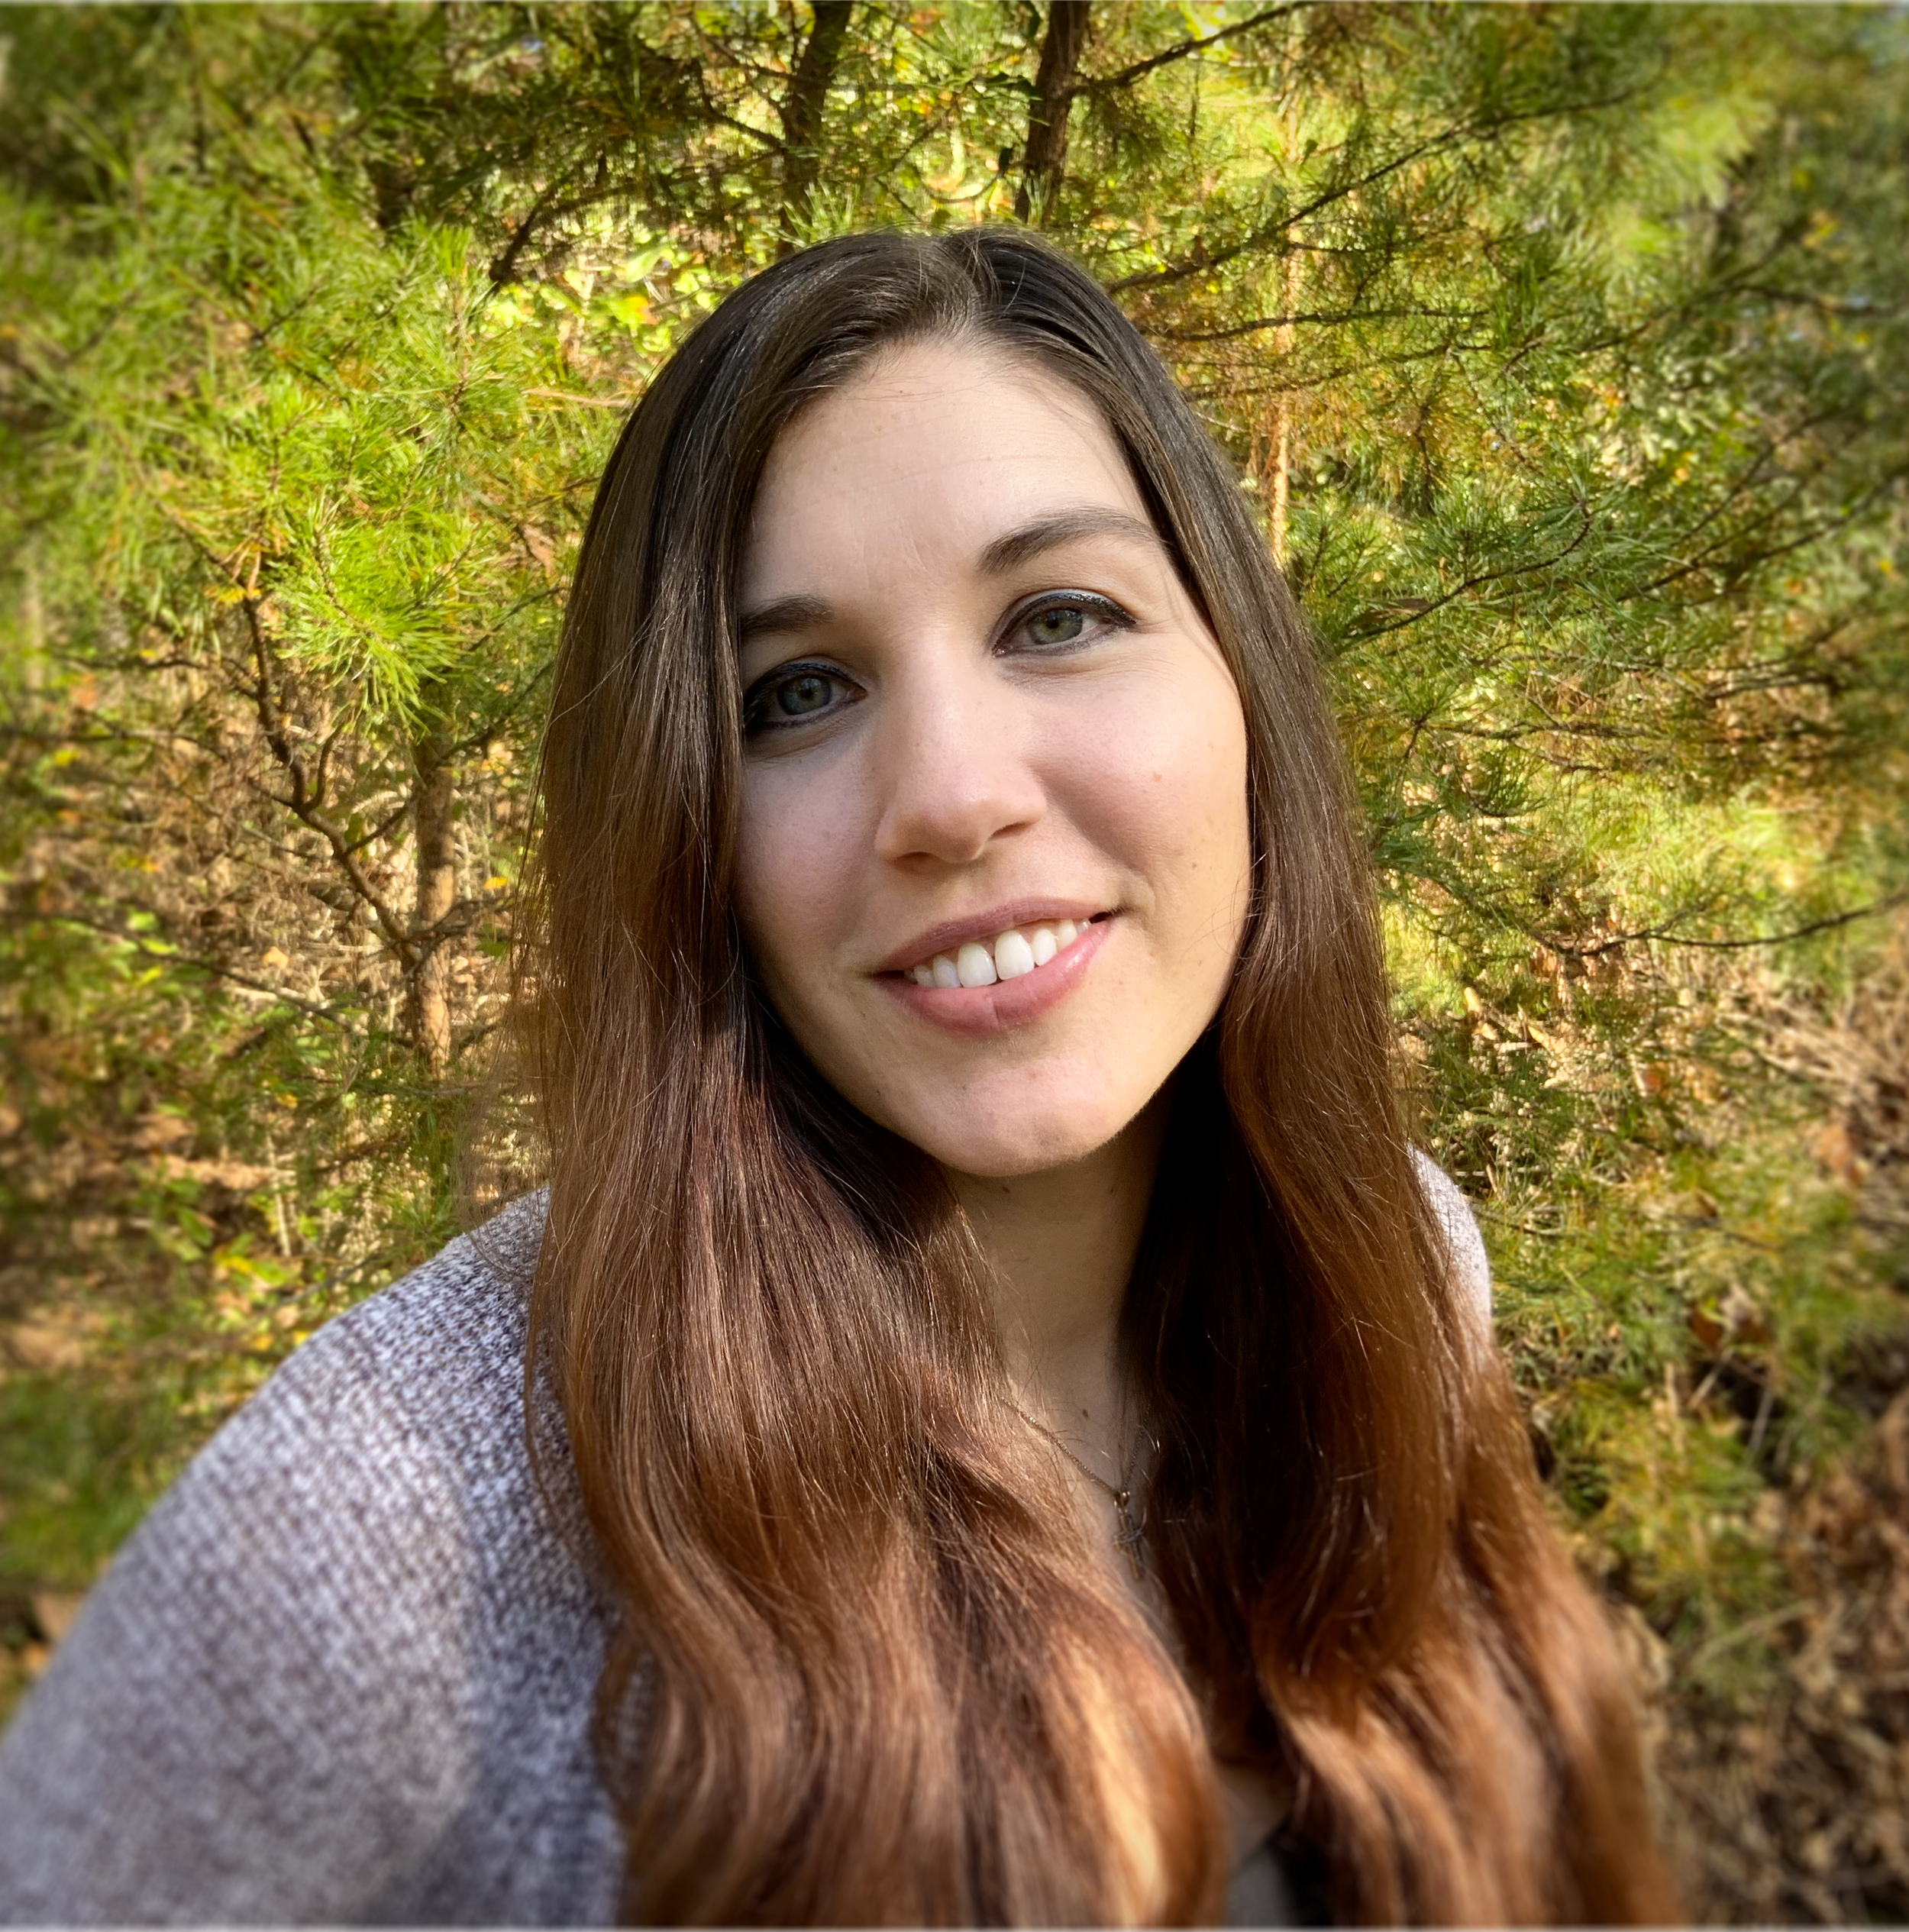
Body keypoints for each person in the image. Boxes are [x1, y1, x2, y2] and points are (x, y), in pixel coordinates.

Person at [0, 228, 1682, 1931]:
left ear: (1242, 678)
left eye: (1058, 616)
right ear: (682, 831)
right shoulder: (391, 1521)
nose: (950, 794)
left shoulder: (1400, 1277)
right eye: (795, 693)